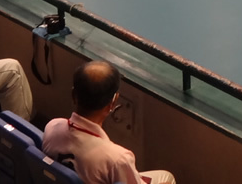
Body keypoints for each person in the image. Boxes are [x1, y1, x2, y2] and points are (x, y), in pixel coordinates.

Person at [43, 61, 175, 184]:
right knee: (166, 177)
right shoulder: (118, 159)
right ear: (113, 103)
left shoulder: (52, 127)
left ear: (73, 95)